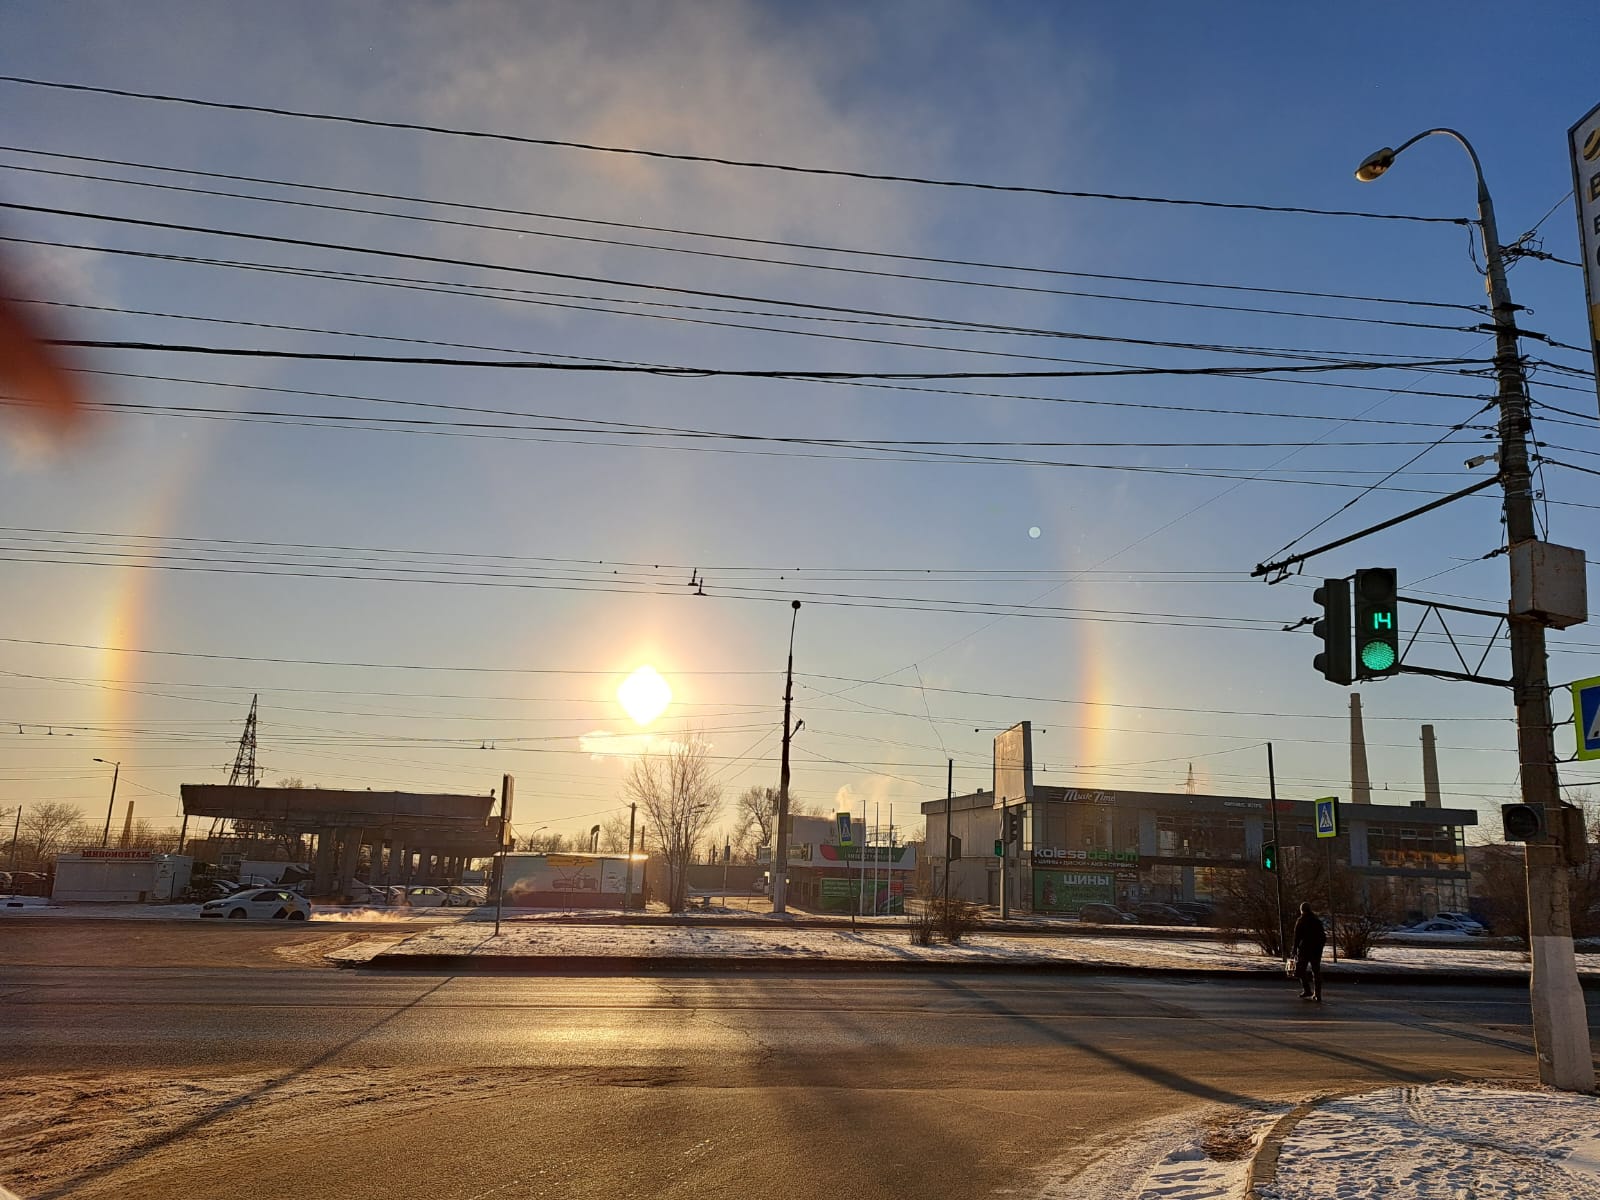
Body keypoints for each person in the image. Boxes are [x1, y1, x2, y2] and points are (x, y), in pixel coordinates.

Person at [1291, 901, 1326, 1002]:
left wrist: (1294, 949)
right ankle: (1317, 994)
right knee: (1316, 971)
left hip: (1304, 949)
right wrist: (1320, 947)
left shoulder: (1301, 921)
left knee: (1300, 970)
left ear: (1301, 910)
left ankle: (1307, 990)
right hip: (1316, 950)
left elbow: (1297, 938)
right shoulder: (1317, 920)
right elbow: (1323, 937)